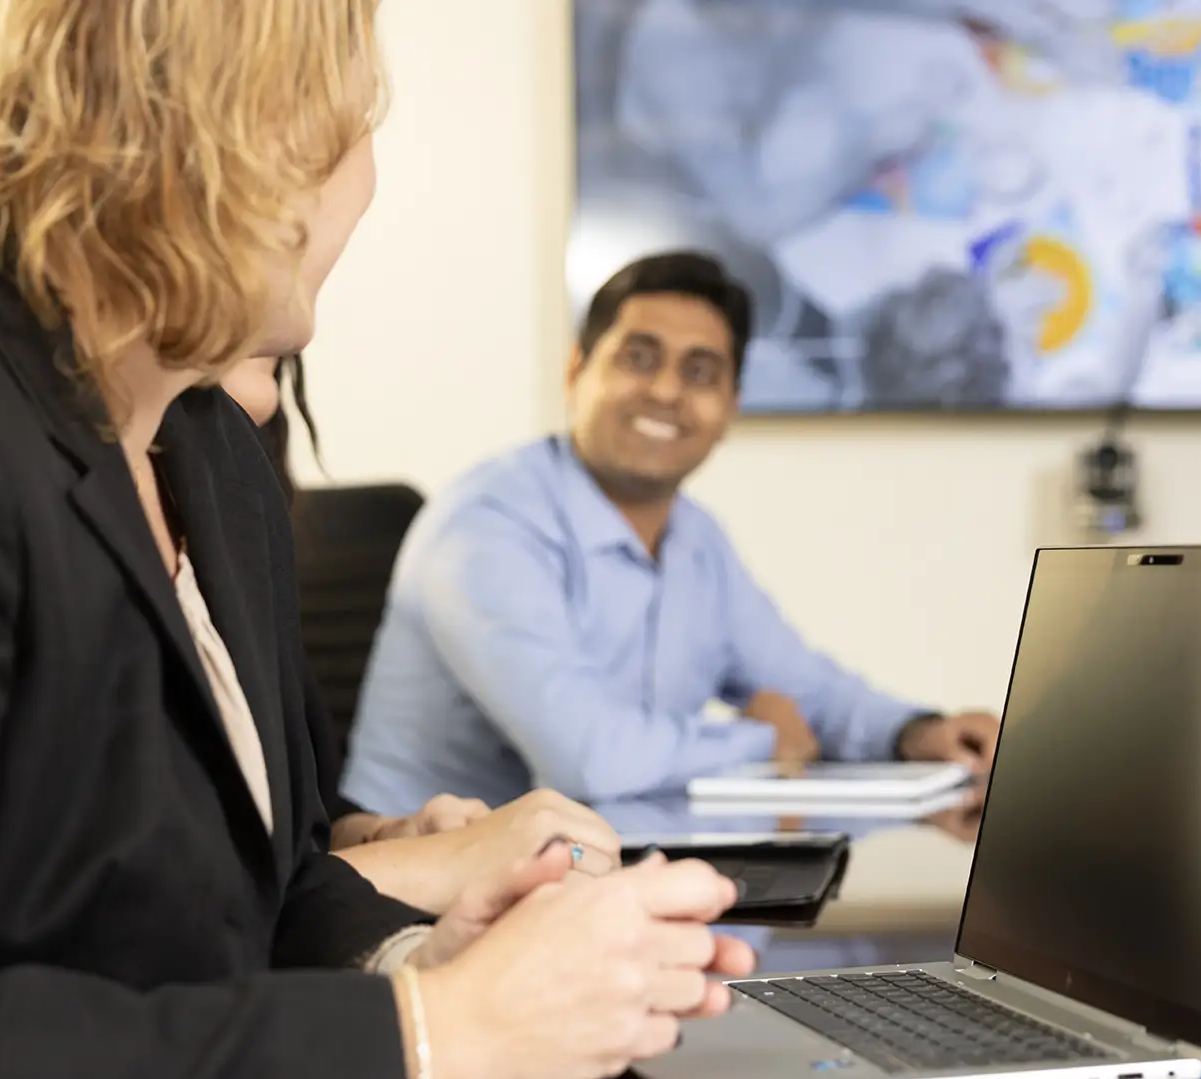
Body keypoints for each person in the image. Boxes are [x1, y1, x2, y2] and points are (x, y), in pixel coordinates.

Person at [0, 0, 752, 1079]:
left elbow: (245, 890)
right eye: (355, 131)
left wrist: (422, 961)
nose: (367, 183)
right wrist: (441, 1032)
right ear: (254, 139)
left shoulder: (208, 445)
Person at [343, 251, 1000, 814]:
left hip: (585, 871)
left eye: (699, 372)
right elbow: (588, 758)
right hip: (412, 896)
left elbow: (805, 686)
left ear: (730, 407)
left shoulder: (695, 540)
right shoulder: (486, 528)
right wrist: (763, 742)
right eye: (638, 357)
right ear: (576, 371)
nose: (665, 391)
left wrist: (920, 732)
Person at [222, 355, 629, 915]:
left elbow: (298, 816)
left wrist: (380, 834)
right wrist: (437, 864)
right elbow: (191, 887)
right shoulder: (491, 518)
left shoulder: (242, 534)